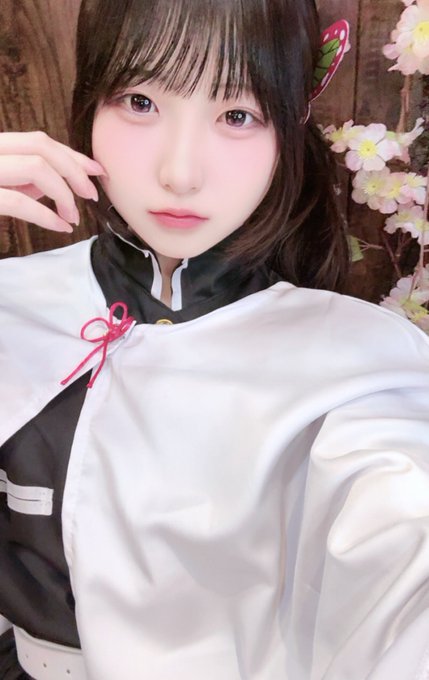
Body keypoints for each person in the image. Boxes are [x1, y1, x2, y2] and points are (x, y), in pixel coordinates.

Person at [0, 1, 428, 678]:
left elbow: (406, 538)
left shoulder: (361, 365)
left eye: (237, 115)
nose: (180, 173)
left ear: (288, 129)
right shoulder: (13, 300)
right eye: (140, 102)